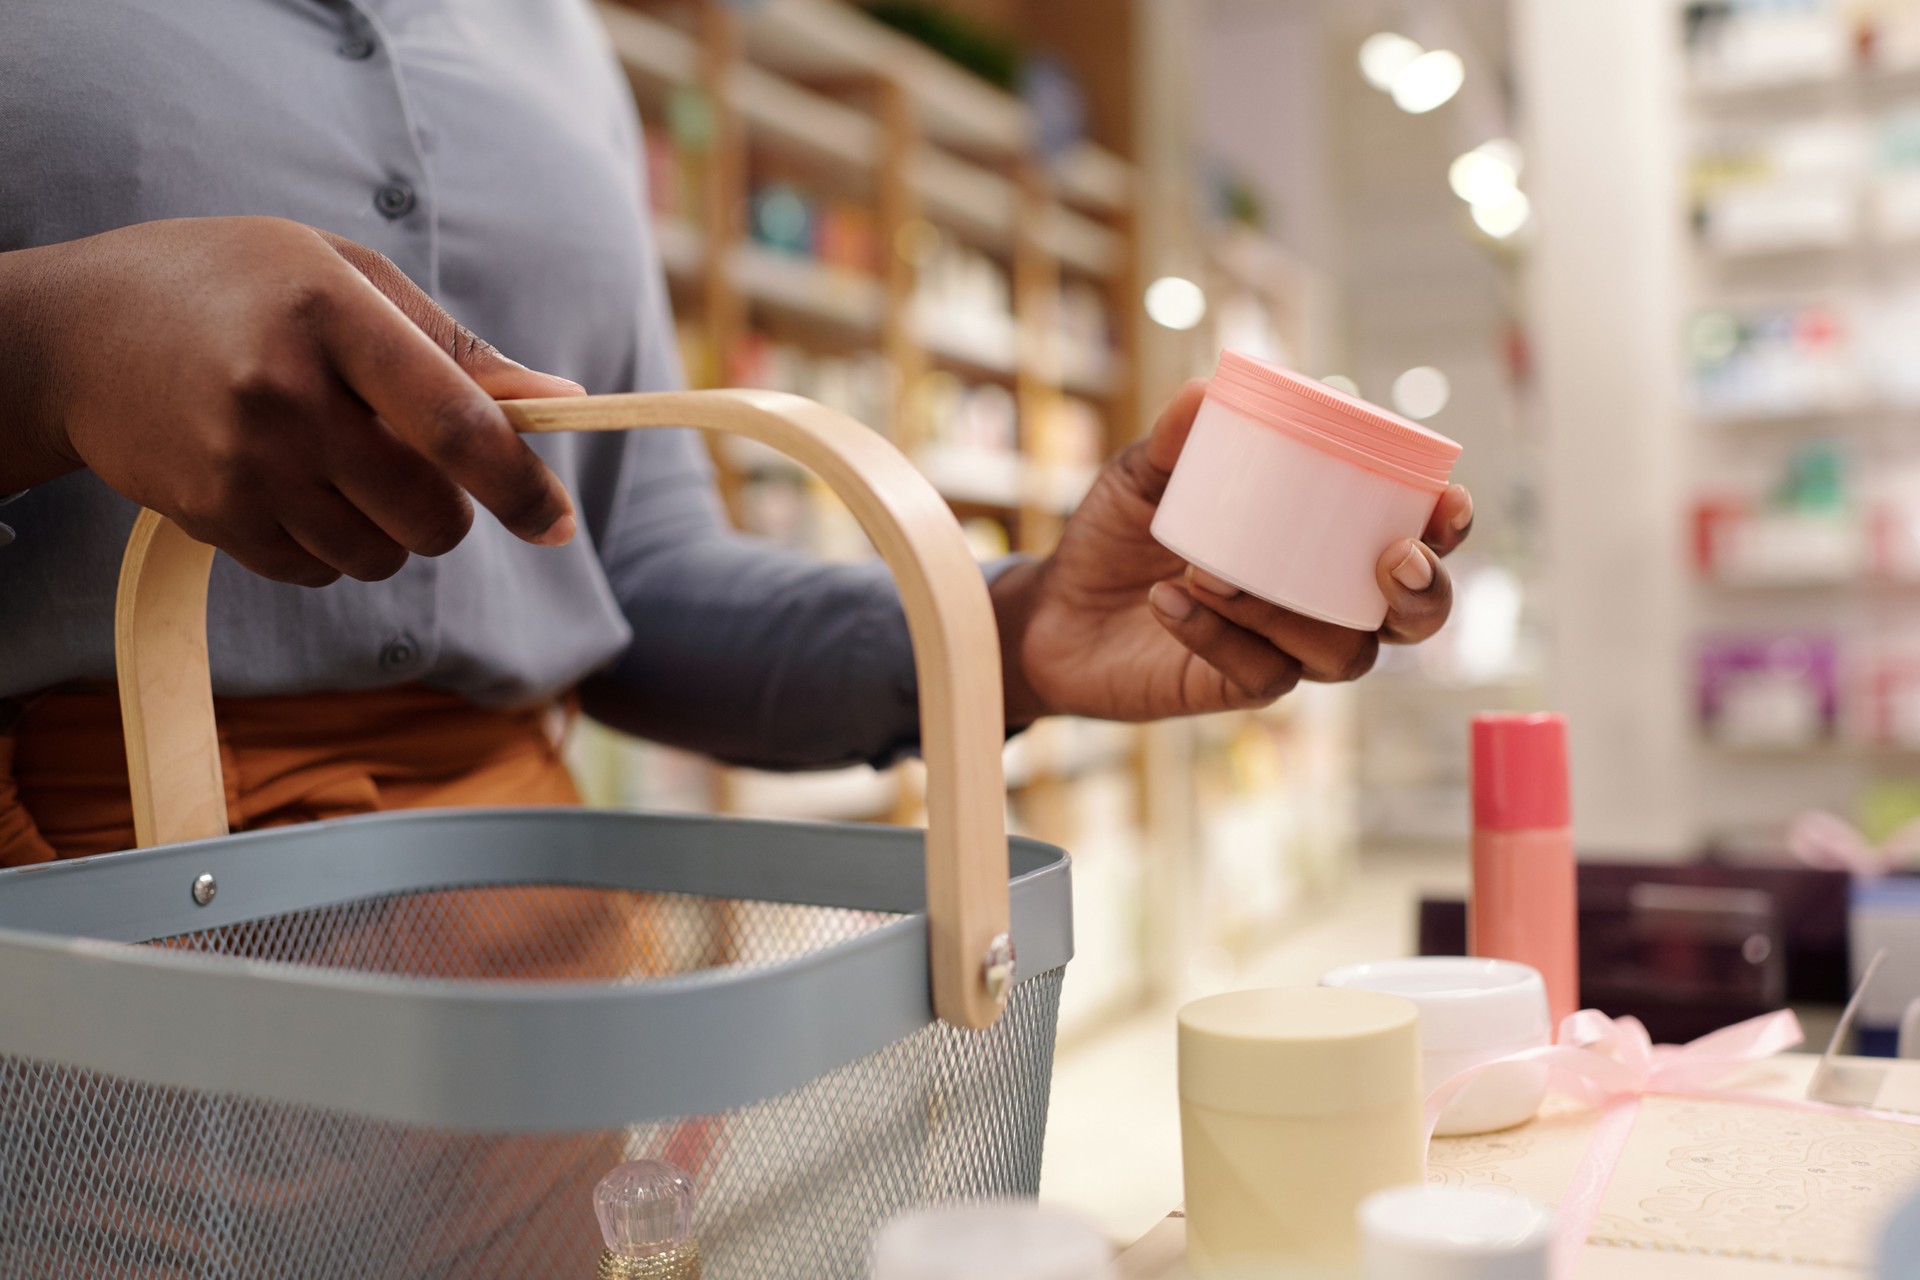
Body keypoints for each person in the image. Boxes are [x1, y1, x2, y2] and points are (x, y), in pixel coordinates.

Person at [0, 0, 1470, 1271]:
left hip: (525, 976)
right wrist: (47, 348)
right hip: (82, 958)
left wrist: (1016, 632)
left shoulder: (551, 31)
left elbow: (631, 574)